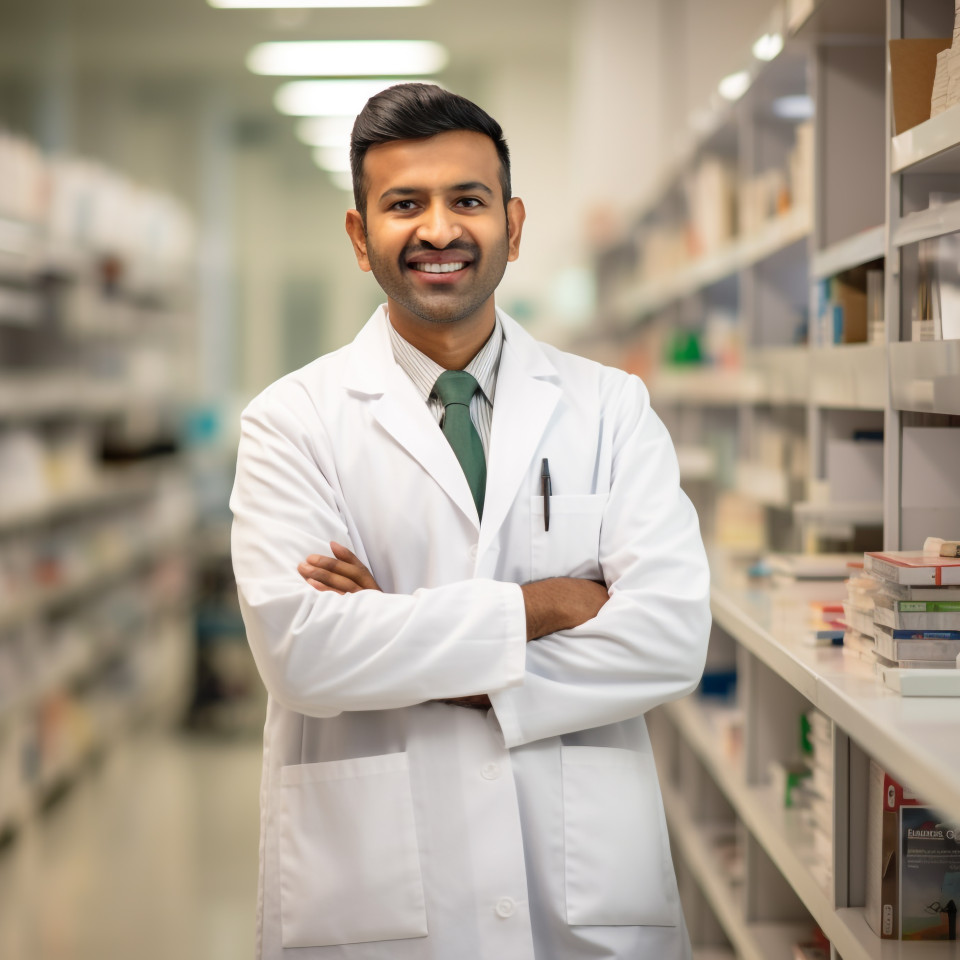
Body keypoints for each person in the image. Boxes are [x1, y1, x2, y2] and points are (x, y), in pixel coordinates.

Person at [230, 82, 711, 960]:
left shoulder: (610, 408)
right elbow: (305, 653)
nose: (439, 230)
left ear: (514, 226)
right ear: (358, 233)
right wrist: (543, 607)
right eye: (404, 203)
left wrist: (397, 630)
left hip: (583, 894)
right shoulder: (291, 420)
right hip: (375, 898)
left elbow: (671, 639)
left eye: (469, 200)